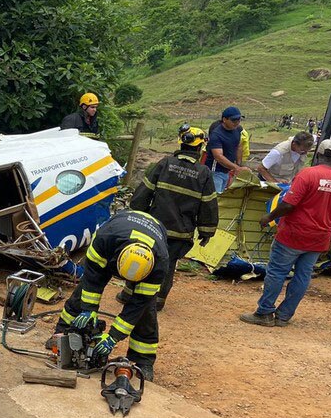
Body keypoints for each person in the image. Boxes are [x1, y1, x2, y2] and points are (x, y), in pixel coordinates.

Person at [239, 139, 331, 327]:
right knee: (302, 276)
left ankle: (264, 313)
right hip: (319, 239)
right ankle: (284, 316)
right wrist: (329, 238)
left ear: (318, 154)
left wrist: (269, 217)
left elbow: (288, 204)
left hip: (293, 234)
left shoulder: (307, 175)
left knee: (277, 272)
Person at [53, 209, 169, 380]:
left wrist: (113, 337)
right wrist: (88, 310)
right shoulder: (104, 239)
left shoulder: (160, 264)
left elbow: (137, 305)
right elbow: (93, 279)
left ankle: (142, 360)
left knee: (146, 310)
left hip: (154, 237)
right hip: (115, 238)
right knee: (84, 291)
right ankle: (62, 333)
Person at [126, 125, 218, 310]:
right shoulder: (204, 173)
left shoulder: (165, 164)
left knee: (142, 257)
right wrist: (206, 231)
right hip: (181, 233)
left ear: (180, 143)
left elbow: (144, 192)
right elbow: (208, 205)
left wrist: (137, 213)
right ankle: (157, 301)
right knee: (167, 266)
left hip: (154, 229)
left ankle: (128, 294)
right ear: (200, 149)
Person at [205, 106, 245, 193]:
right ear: (224, 119)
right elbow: (218, 156)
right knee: (216, 198)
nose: (237, 122)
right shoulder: (216, 134)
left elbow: (239, 146)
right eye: (234, 120)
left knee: (223, 196)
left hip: (227, 170)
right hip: (215, 172)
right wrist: (236, 168)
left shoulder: (237, 130)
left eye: (239, 120)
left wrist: (238, 164)